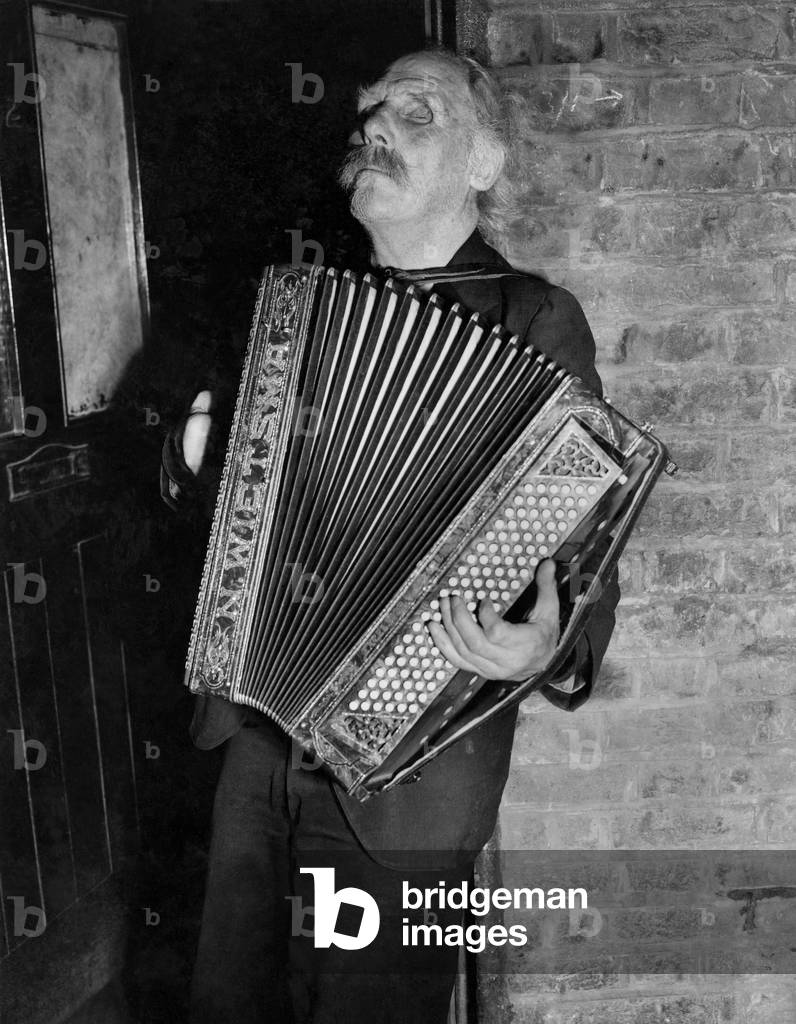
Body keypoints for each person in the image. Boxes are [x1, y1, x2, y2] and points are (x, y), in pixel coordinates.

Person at [161, 47, 619, 1024]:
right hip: (255, 735)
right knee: (227, 1002)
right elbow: (231, 513)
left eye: (415, 114)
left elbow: (583, 540)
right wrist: (190, 454)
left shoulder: (533, 318)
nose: (375, 128)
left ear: (483, 164)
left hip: (408, 775)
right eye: (369, 113)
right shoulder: (293, 316)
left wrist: (551, 644)